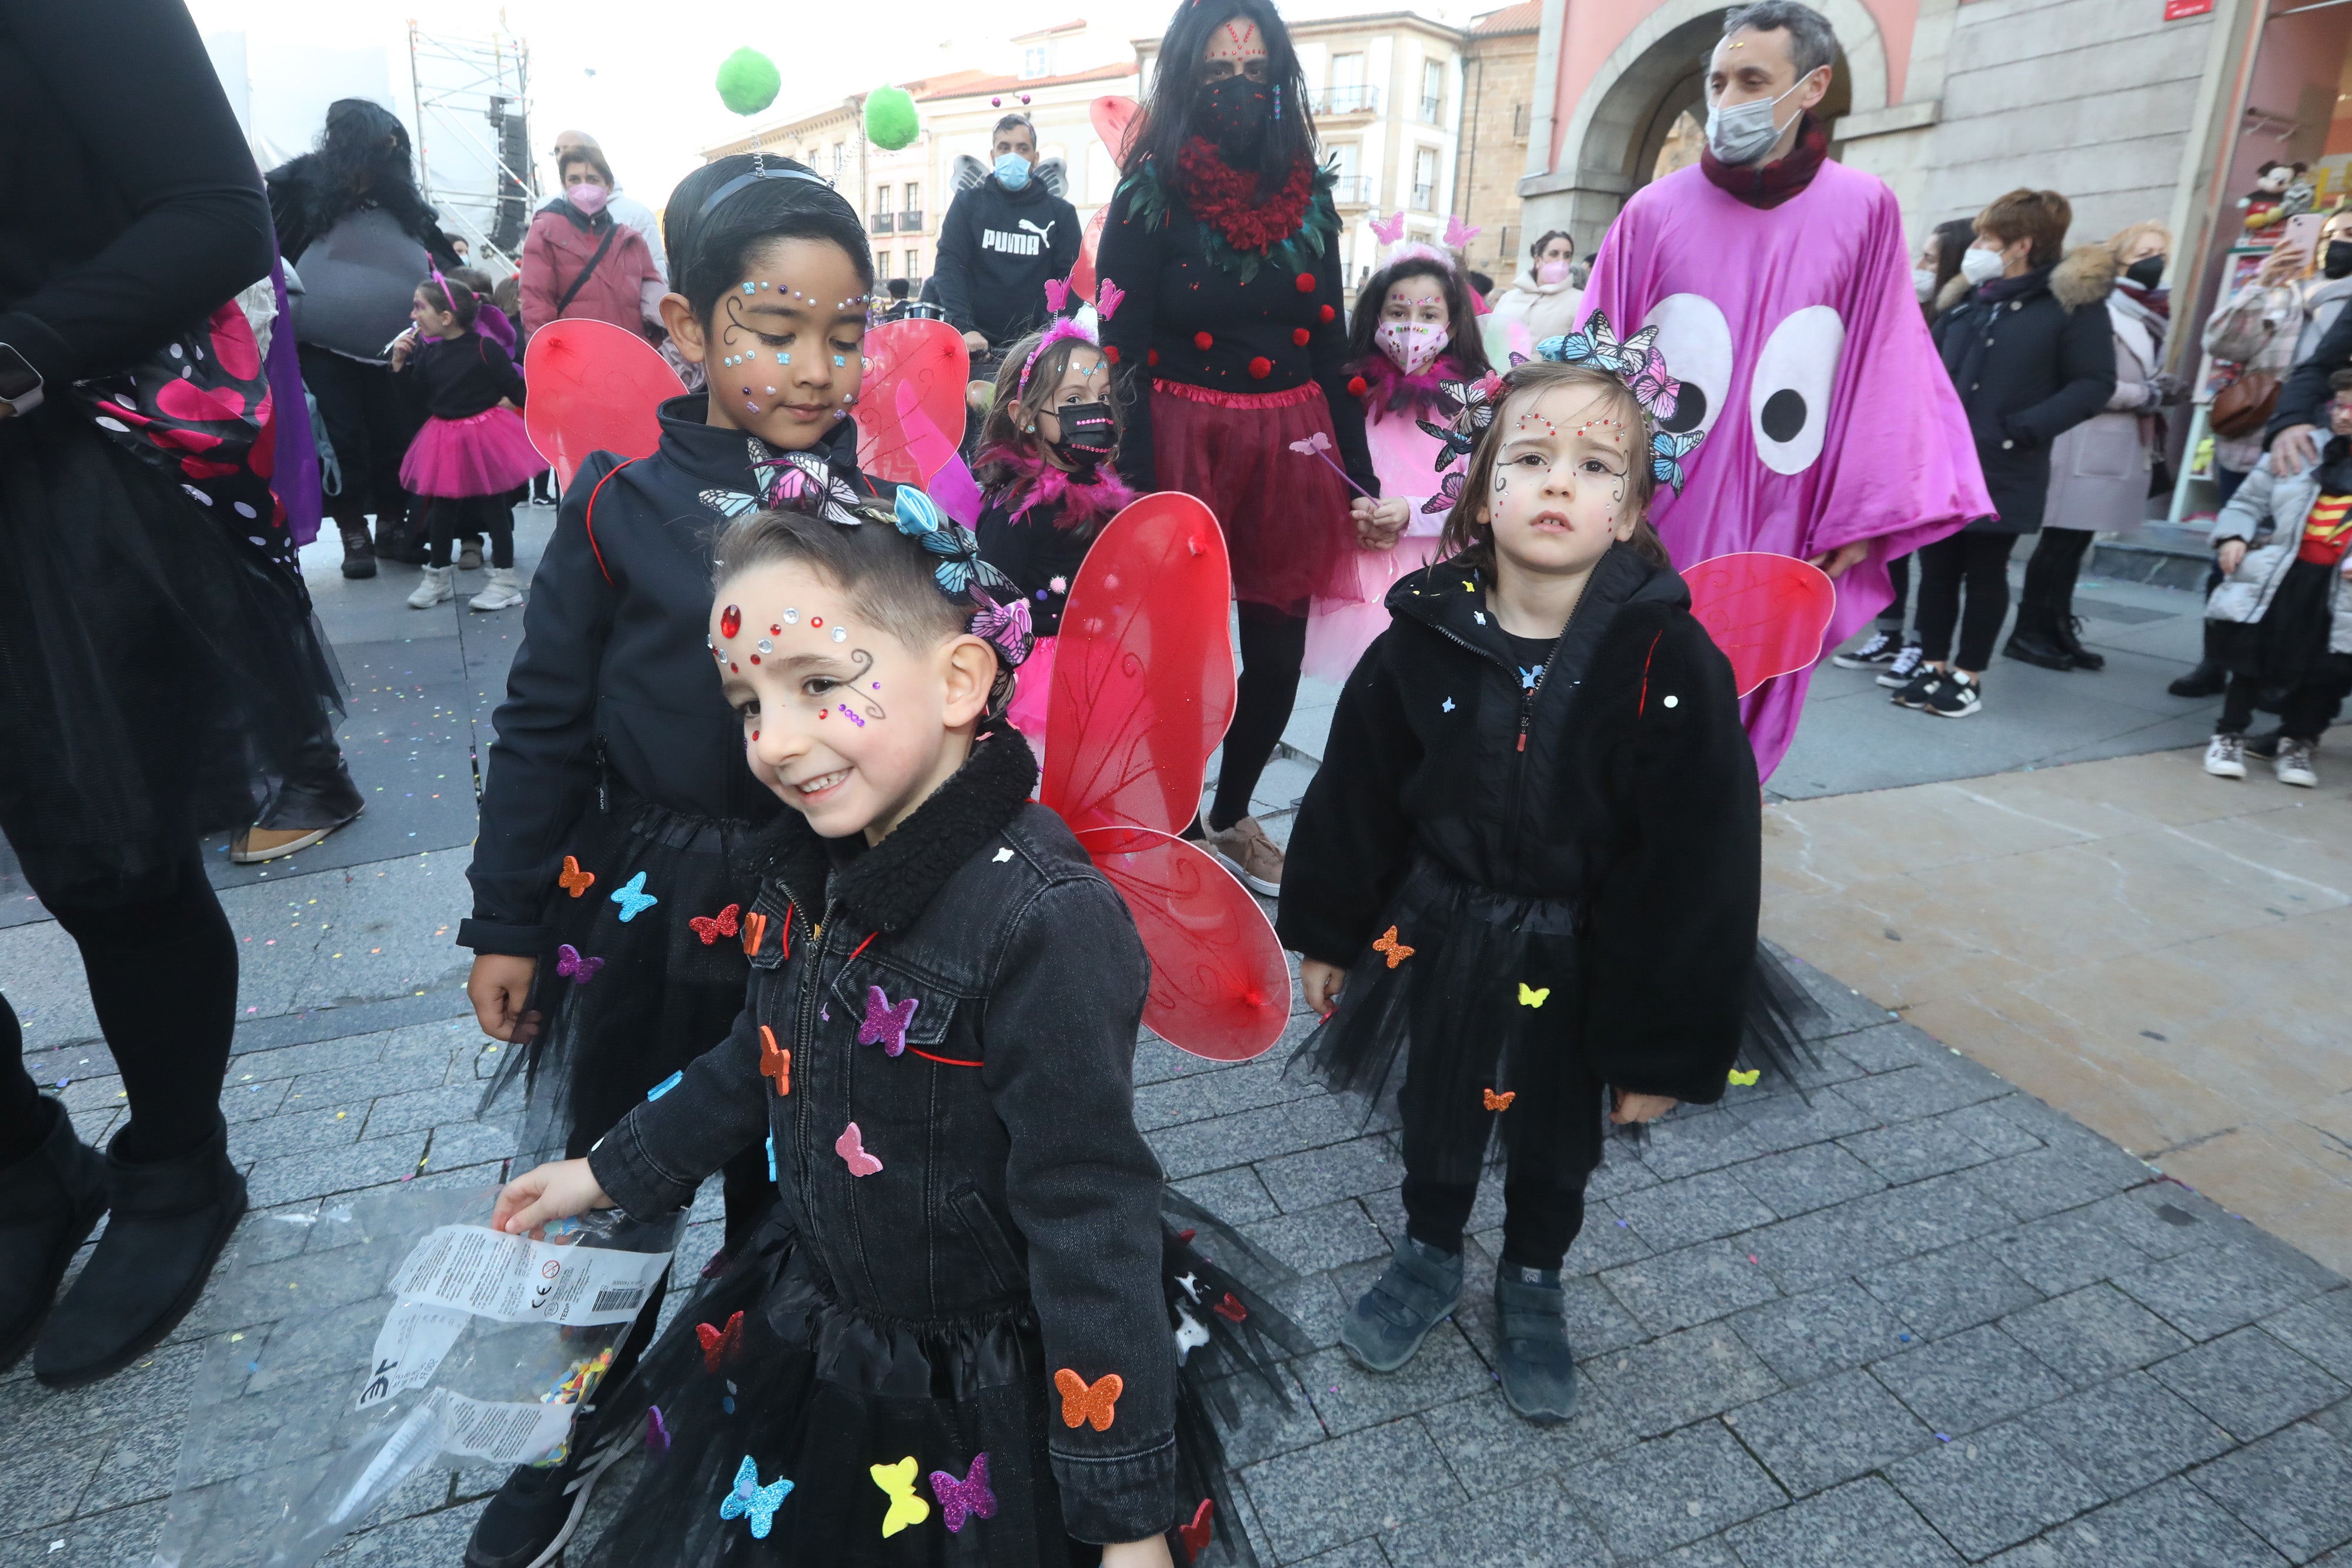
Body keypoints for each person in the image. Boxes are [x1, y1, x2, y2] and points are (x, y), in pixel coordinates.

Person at [480, 508, 1252, 1568]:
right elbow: (758, 1055)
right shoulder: (804, 869)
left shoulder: (1045, 920)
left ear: (958, 681)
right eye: (749, 703)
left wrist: (1126, 1520)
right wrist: (607, 1171)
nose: (776, 742)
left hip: (987, 1379)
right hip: (825, 1316)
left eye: (818, 684)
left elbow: (1088, 1209)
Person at [456, 156, 852, 1567]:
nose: (813, 366)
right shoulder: (621, 504)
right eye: (773, 325)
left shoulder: (886, 517)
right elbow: (545, 720)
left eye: (844, 332)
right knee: (623, 1180)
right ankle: (582, 1412)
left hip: (817, 912)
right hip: (643, 902)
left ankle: (747, 1418)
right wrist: (506, 920)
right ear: (685, 328)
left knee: (792, 1192)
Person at [1281, 357, 1758, 1426]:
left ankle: (1534, 1272)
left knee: (1556, 1132)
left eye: (1595, 466)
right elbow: (1358, 794)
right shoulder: (1423, 636)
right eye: (1532, 457)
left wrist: (1661, 1047)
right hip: (1443, 923)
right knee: (1437, 1099)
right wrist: (1328, 930)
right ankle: (1429, 1245)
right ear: (1481, 487)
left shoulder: (1668, 657)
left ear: (1630, 507)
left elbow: (1701, 863)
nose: (1558, 484)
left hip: (1589, 946)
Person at [0, 0, 345, 1389]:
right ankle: (26, 1166)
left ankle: (175, 1169)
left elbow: (212, 208)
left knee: (113, 858)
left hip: (52, 483)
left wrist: (25, 344)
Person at [1578, 0, 1987, 773]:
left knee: (1740, 708)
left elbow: (1885, 362)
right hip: (1655, 516)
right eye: (1718, 80)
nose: (1727, 100)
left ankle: (1707, 856)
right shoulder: (1651, 213)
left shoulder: (1866, 210)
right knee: (1622, 697)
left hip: (1782, 514)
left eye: (1752, 80)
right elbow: (1595, 366)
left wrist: (1861, 514)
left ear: (1811, 87)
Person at [1097, 0, 1376, 894]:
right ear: (1186, 82)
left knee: (1279, 652)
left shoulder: (1311, 194)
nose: (1237, 92)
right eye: (1217, 77)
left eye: (1253, 76)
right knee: (1177, 651)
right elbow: (1120, 350)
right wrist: (1135, 483)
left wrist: (1360, 474)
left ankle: (1233, 807)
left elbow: (1333, 346)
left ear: (1279, 80)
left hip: (1292, 449)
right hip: (1181, 445)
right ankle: (1177, 819)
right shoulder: (1147, 194)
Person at [1900, 191, 2116, 718]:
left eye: (1988, 240)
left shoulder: (2069, 306)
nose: (1976, 248)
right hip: (1945, 463)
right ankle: (1931, 664)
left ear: (2022, 245)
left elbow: (2093, 383)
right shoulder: (1969, 302)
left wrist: (2025, 429)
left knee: (1985, 569)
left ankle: (1967, 674)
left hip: (2005, 462)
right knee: (1937, 568)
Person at [266, 98, 462, 579]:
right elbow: (270, 248)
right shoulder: (299, 189)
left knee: (396, 436)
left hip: (399, 349)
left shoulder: (404, 200)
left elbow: (447, 264)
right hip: (321, 347)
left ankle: (394, 524)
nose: (392, 149)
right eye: (382, 140)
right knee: (338, 439)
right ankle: (353, 530)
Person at [1304, 240, 1494, 683]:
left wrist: (1411, 513)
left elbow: (1481, 492)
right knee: (1364, 688)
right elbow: (1321, 470)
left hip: (1441, 567)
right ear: (1375, 316)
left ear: (1453, 322)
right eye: (1398, 312)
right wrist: (1353, 514)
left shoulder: (1472, 402)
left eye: (1428, 316)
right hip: (1361, 569)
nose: (1412, 329)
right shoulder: (1347, 393)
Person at [2180, 210, 2352, 697]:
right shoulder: (2286, 288)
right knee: (2233, 551)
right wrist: (2260, 283)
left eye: (2351, 237)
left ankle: (2277, 675)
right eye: (2332, 235)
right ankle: (2215, 661)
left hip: (2324, 445)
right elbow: (2221, 343)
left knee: (2303, 564)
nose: (2338, 245)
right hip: (2253, 437)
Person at [2022, 221, 2183, 671]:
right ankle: (2030, 631)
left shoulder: (2149, 313)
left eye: (2161, 253)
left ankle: (2056, 627)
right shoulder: (2103, 309)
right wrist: (2147, 395)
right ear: (2120, 259)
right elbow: (2088, 382)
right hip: (2084, 438)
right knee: (2059, 542)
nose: (2155, 263)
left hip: (2119, 443)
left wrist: (2160, 387)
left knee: (2076, 544)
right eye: (2144, 253)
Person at [974, 315, 1133, 747]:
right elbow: (985, 609)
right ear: (1026, 417)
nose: (1096, 411)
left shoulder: (1104, 490)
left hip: (1104, 661)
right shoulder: (1017, 509)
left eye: (1102, 397)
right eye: (1075, 399)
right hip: (1040, 676)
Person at [1835, 215, 1977, 686]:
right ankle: (1892, 635)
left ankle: (1922, 646)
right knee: (1890, 547)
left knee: (1934, 558)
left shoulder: (1964, 313)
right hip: (1902, 445)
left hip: (1939, 451)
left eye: (1932, 258)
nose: (1920, 265)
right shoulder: (1917, 309)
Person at [2199, 366, 2352, 787]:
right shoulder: (2301, 448)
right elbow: (2246, 502)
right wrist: (2233, 536)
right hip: (2281, 575)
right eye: (2339, 405)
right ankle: (2229, 734)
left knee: (2323, 667)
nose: (2343, 416)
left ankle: (2298, 740)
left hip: (2339, 591)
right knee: (2251, 654)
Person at [389, 273, 536, 611]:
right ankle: (437, 576)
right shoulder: (429, 352)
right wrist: (398, 366)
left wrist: (541, 404)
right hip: (444, 436)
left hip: (484, 435)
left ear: (446, 317)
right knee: (442, 511)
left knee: (494, 508)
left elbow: (518, 391)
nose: (413, 315)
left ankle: (505, 581)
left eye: (419, 307)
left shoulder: (485, 349)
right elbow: (416, 400)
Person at [933, 112, 1081, 360]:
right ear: (992, 156)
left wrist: (1049, 335)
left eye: (1022, 149)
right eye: (1004, 147)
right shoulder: (967, 205)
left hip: (1037, 351)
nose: (1013, 155)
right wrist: (964, 328)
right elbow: (949, 266)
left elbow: (1070, 280)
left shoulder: (1061, 214)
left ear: (1035, 159)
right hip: (977, 347)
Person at [519, 143, 663, 343]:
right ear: (564, 185)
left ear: (609, 186)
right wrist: (549, 357)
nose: (584, 187)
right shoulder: (546, 232)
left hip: (631, 359)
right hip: (576, 360)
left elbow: (657, 305)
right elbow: (536, 304)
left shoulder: (631, 241)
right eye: (574, 179)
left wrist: (655, 351)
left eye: (592, 179)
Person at [551, 128, 669, 283]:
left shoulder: (636, 214)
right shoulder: (548, 216)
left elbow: (655, 282)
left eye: (569, 149)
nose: (561, 156)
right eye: (557, 150)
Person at [1487, 229, 1581, 342]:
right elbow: (1491, 338)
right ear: (1537, 260)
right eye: (1554, 254)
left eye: (1567, 256)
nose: (1561, 260)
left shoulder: (1580, 301)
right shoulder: (1508, 298)